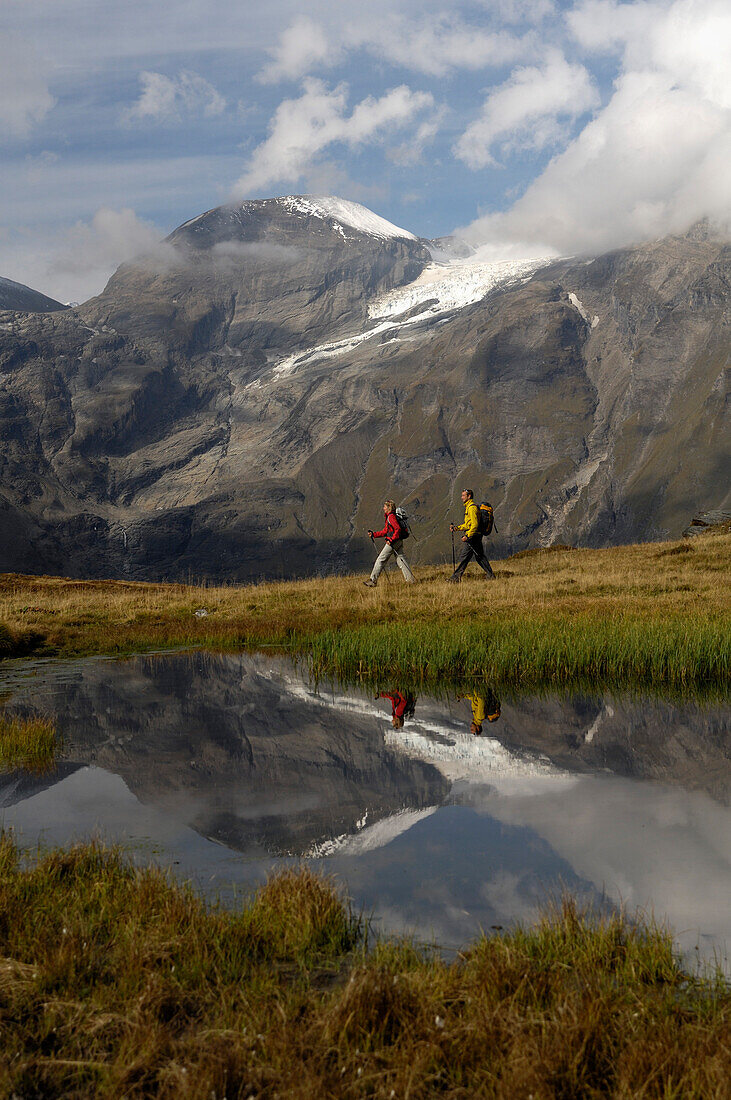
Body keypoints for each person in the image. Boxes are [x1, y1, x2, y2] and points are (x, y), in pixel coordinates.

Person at [364, 499, 415, 586]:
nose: (383, 508)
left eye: (384, 506)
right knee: (401, 560)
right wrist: (374, 534)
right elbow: (385, 531)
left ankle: (373, 581)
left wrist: (391, 540)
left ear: (388, 507)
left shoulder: (391, 517)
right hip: (398, 541)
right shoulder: (391, 516)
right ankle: (411, 580)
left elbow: (397, 529)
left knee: (380, 559)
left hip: (393, 542)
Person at [448, 488, 494, 582]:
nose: (461, 498)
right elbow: (468, 524)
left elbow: (475, 525)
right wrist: (456, 528)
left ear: (469, 496)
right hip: (475, 535)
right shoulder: (469, 507)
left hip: (473, 537)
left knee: (465, 557)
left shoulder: (472, 508)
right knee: (479, 556)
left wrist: (468, 536)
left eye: (463, 495)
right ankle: (491, 575)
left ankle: (455, 578)